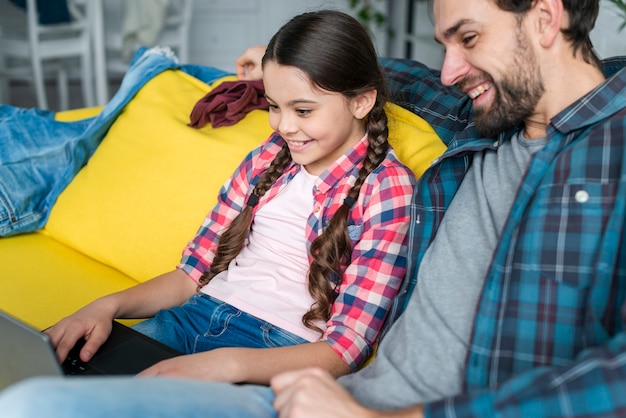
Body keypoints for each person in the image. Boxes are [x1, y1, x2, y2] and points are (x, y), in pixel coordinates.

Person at [1, 0, 625, 416]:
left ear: (546, 17)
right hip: (322, 392)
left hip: (339, 393)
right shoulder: (482, 114)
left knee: (34, 406)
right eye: (445, 44)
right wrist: (270, 76)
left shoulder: (607, 154)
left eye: (467, 38)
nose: (450, 69)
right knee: (34, 382)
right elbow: (377, 79)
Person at [27, 9, 416, 385]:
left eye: (302, 109)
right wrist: (105, 306)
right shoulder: (268, 156)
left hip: (278, 351)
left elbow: (343, 350)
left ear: (362, 101)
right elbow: (190, 275)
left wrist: (228, 365)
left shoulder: (386, 189)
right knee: (49, 380)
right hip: (191, 318)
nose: (285, 126)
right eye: (274, 107)